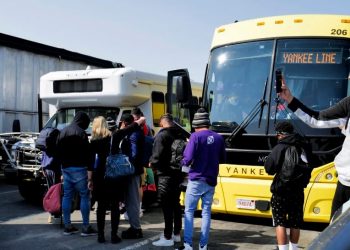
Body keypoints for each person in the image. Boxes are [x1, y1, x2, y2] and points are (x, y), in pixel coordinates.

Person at [279, 81, 350, 218]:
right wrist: (290, 99)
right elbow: (316, 119)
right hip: (345, 185)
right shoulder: (349, 104)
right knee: (334, 232)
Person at [90, 116, 146, 244]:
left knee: (101, 207)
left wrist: (90, 180)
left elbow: (90, 163)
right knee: (115, 206)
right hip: (113, 176)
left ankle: (101, 236)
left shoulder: (93, 142)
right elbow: (130, 128)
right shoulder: (114, 137)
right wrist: (139, 121)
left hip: (99, 177)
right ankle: (114, 236)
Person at [177, 108, 226, 250]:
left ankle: (187, 244)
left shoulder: (195, 137)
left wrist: (182, 161)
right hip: (211, 180)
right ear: (208, 123)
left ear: (195, 124)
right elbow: (222, 159)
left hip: (196, 179)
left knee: (189, 211)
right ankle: (203, 246)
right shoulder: (218, 137)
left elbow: (187, 159)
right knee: (206, 212)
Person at [264, 122, 315, 250]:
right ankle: (294, 248)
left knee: (280, 222)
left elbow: (269, 169)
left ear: (281, 134)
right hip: (298, 191)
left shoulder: (280, 147)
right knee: (295, 222)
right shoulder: (304, 146)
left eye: (277, 135)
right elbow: (312, 164)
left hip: (280, 191)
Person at [56, 111, 97, 236]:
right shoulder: (81, 133)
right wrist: (90, 175)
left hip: (66, 169)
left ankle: (67, 226)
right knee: (84, 196)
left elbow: (58, 152)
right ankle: (85, 227)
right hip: (80, 170)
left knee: (67, 196)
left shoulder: (63, 132)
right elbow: (89, 155)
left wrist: (61, 170)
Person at [150, 113, 186, 247]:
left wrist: (152, 166)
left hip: (165, 175)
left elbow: (156, 157)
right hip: (178, 174)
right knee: (176, 204)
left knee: (166, 206)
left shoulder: (162, 135)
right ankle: (176, 234)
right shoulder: (180, 134)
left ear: (161, 123)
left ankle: (167, 236)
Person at [119, 114, 145, 239]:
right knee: (131, 200)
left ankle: (136, 229)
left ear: (124, 123)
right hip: (135, 170)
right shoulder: (136, 132)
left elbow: (133, 154)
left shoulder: (133, 135)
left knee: (132, 201)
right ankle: (134, 227)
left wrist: (127, 165)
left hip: (132, 172)